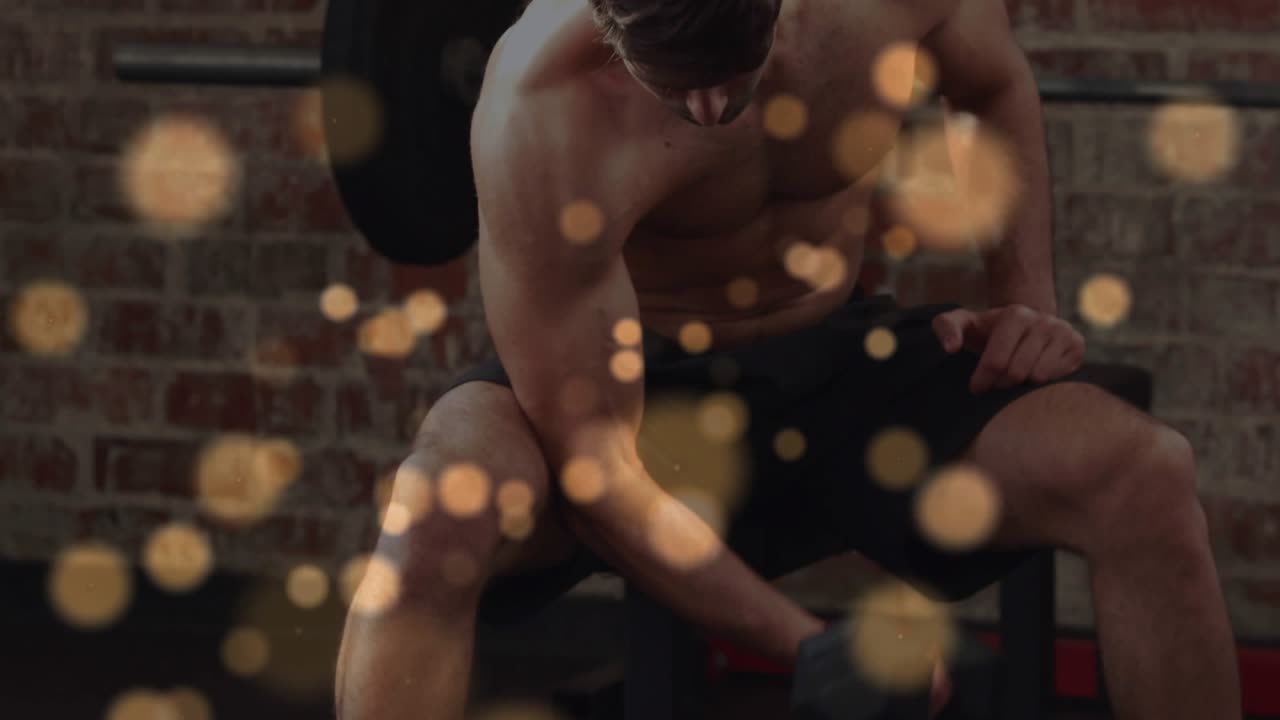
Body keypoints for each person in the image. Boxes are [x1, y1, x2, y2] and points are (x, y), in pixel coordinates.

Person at [335, 0, 1242, 718]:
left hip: (837, 366)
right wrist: (807, 642)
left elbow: (995, 82)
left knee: (1146, 477)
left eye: (733, 72)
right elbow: (595, 465)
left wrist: (1024, 299)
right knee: (432, 521)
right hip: (625, 395)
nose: (708, 109)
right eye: (672, 84)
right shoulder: (539, 106)